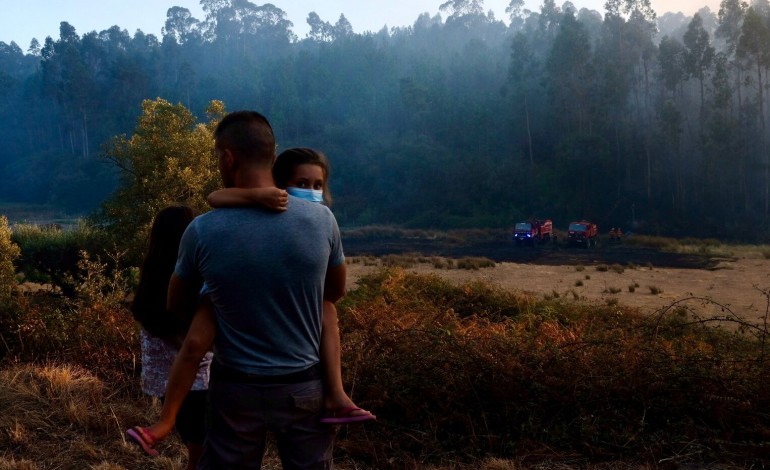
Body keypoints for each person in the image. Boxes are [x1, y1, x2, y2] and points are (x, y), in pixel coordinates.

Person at [169, 110, 349, 469]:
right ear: (272, 153)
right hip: (303, 385)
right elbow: (334, 292)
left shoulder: (202, 231)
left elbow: (176, 305)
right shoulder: (322, 221)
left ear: (227, 157)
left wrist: (218, 306)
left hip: (235, 388)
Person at [206, 147, 374, 424]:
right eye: (302, 184)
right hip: (292, 370)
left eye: (318, 185)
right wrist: (258, 195)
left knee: (327, 310)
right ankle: (336, 393)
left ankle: (337, 393)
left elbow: (334, 291)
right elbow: (215, 197)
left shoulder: (322, 221)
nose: (311, 191)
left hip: (246, 377)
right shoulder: (272, 204)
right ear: (280, 183)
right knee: (328, 309)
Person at [125, 205, 211, 468]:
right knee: (204, 456)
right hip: (198, 384)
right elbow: (194, 342)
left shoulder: (152, 281)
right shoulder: (188, 283)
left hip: (167, 387)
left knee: (198, 453)